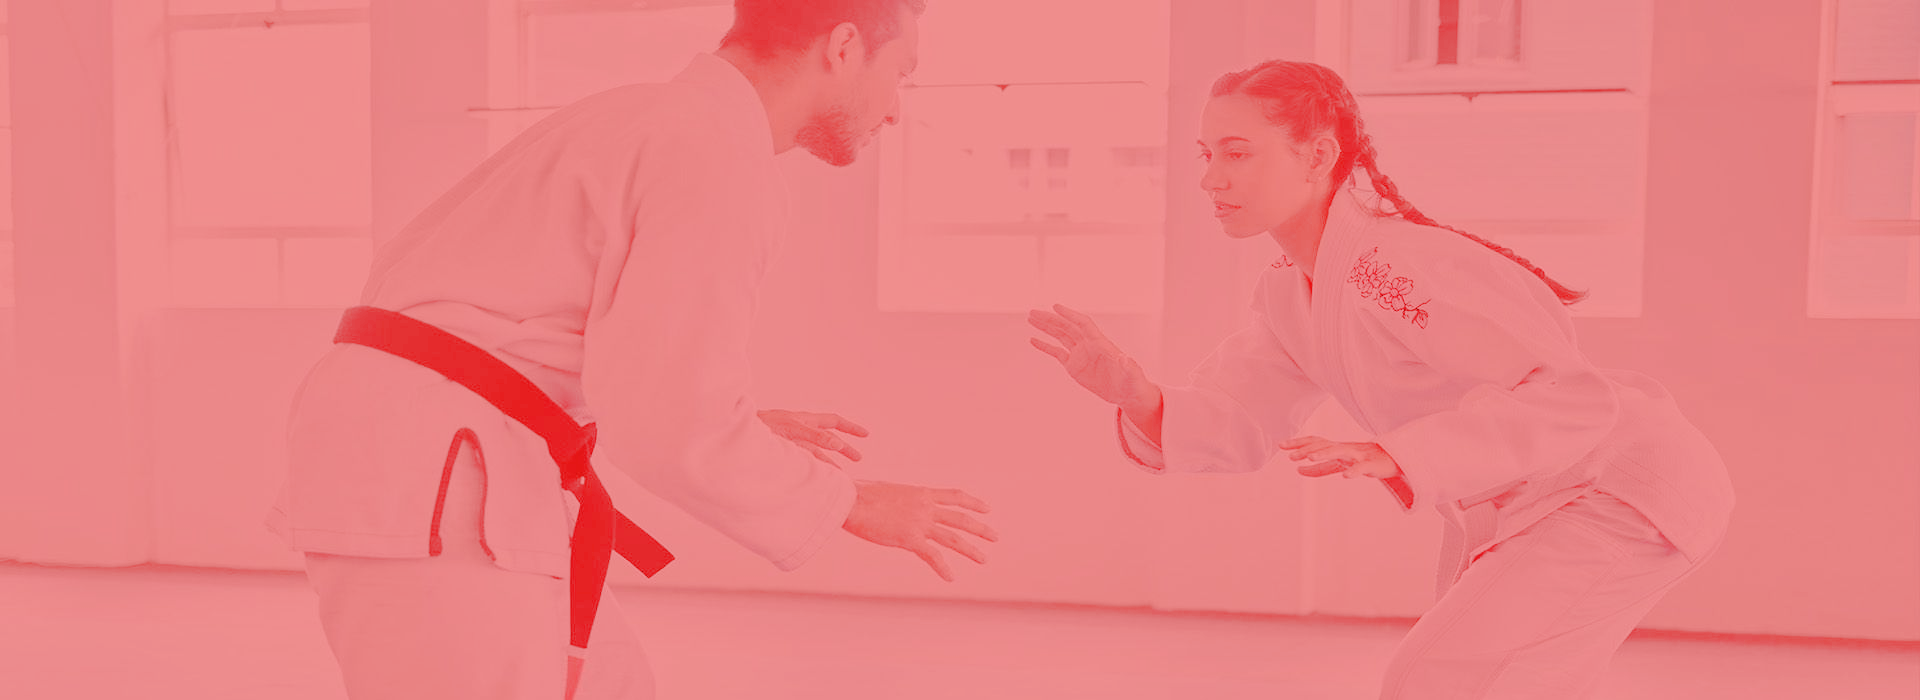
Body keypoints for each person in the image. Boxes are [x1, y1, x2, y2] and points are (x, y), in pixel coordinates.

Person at [265, 2, 997, 698]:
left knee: (611, 686)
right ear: (843, 47)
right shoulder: (714, 153)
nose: (895, 109)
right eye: (901, 73)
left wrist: (736, 424)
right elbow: (667, 418)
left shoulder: (641, 118)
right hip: (439, 475)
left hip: (437, 453)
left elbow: (585, 354)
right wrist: (847, 502)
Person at [1028, 59, 1734, 699]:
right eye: (1206, 154)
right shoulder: (1289, 292)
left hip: (1619, 486)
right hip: (1553, 503)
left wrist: (1396, 452)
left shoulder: (1403, 263)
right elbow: (1240, 416)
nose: (1212, 178)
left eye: (1237, 153)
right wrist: (1135, 393)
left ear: (1317, 156)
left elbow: (1570, 397)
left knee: (1438, 680)